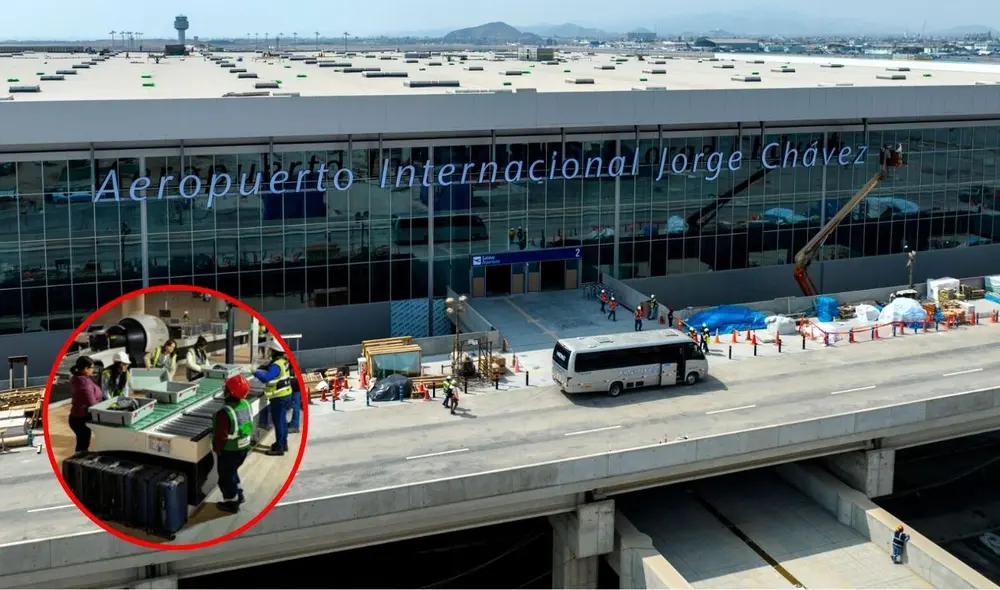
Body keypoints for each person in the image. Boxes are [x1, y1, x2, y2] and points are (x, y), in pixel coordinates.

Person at [213, 375, 254, 514]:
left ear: (229, 393)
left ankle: (232, 503)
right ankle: (239, 494)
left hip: (229, 450)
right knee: (233, 471)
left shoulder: (225, 413)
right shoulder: (246, 404)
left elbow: (221, 436)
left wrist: (217, 449)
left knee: (225, 478)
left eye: (226, 388)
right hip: (243, 448)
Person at [253, 339, 293, 457]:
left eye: (271, 350)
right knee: (283, 421)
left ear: (274, 351)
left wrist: (255, 372)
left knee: (279, 422)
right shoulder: (284, 361)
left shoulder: (276, 365)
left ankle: (279, 448)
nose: (269, 352)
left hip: (278, 398)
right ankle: (283, 443)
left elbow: (267, 379)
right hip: (286, 394)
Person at [69, 356, 103, 453]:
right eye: (92, 368)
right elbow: (91, 403)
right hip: (81, 419)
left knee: (82, 442)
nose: (93, 370)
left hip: (77, 417)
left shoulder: (81, 379)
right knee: (83, 444)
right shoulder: (84, 384)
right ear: (85, 369)